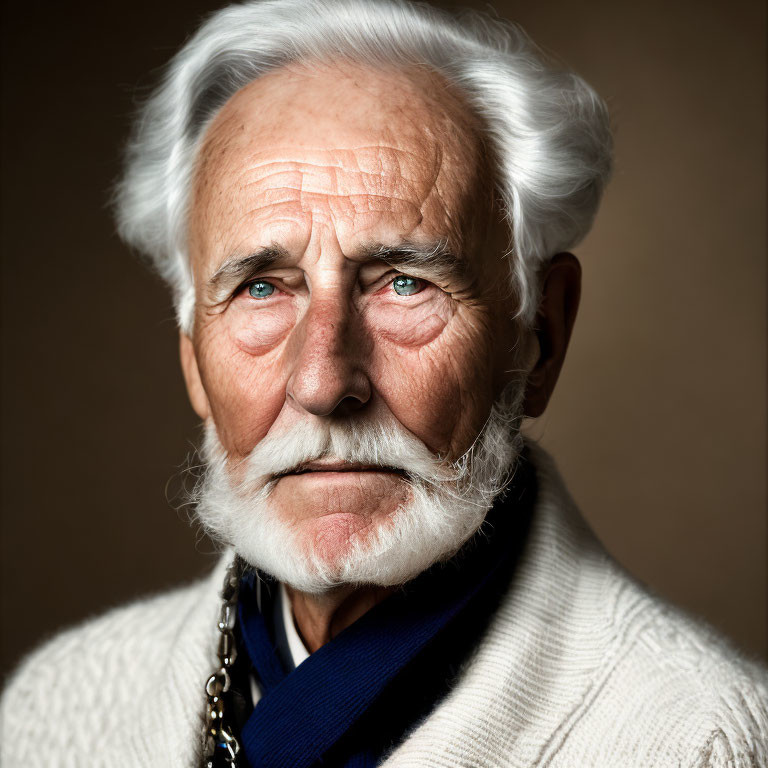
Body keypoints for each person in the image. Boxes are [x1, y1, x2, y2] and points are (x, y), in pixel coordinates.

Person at [1, 0, 766, 765]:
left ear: (540, 336)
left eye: (403, 283)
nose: (324, 381)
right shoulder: (56, 710)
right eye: (262, 288)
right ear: (193, 358)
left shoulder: (702, 740)